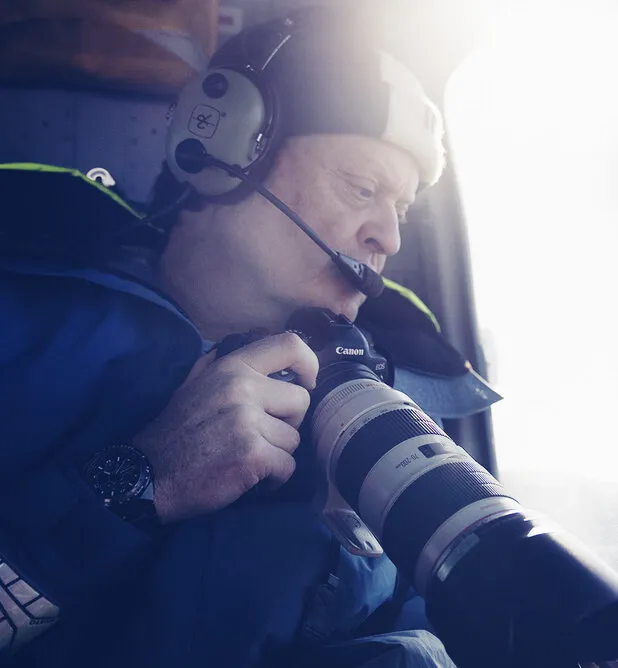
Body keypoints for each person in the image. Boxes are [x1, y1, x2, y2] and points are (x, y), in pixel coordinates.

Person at [0, 6, 500, 668]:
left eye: (401, 209)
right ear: (231, 147)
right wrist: (139, 482)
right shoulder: (24, 328)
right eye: (362, 188)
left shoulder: (397, 395)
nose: (392, 238)